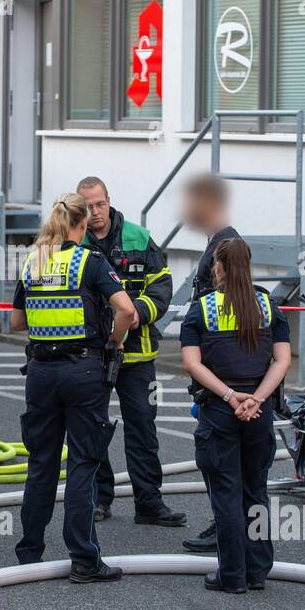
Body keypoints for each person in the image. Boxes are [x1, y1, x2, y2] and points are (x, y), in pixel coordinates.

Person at [11, 193, 136, 582]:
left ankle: (29, 553)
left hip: (41, 373)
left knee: (41, 462)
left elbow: (16, 323)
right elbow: (128, 310)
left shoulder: (33, 261)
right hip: (84, 371)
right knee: (83, 462)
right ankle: (84, 558)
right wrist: (113, 343)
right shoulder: (89, 260)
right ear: (81, 226)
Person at [179, 237, 291, 593]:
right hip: (259, 414)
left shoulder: (202, 309)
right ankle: (257, 572)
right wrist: (256, 399)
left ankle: (232, 576)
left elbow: (191, 362)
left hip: (219, 411)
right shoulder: (269, 308)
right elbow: (283, 360)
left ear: (222, 267)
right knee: (254, 490)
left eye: (215, 263)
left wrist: (229, 396)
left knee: (226, 494)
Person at [76, 177, 184, 527]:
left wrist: (136, 313)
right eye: (87, 207)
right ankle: (98, 499)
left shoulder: (138, 237)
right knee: (93, 428)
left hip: (137, 356)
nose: (94, 213)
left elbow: (162, 286)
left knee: (142, 428)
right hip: (92, 353)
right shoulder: (73, 240)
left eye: (99, 204)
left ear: (109, 200)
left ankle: (149, 503)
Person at [181, 173, 240, 553]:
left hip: (222, 371)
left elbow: (227, 305)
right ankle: (229, 527)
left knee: (219, 457)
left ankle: (227, 529)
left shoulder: (226, 244)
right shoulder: (216, 241)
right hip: (222, 371)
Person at [183, 173, 239, 301]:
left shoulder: (227, 244)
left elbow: (233, 297)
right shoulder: (216, 240)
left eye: (192, 203)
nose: (187, 210)